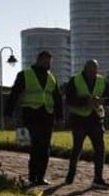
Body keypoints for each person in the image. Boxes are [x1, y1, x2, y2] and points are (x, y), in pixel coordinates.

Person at [4, 51, 64, 187]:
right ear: (39, 60)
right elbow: (14, 94)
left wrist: (60, 117)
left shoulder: (51, 77)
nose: (49, 65)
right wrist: (8, 114)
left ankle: (40, 177)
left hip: (47, 115)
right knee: (37, 145)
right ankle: (33, 176)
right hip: (32, 114)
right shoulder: (25, 74)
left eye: (50, 62)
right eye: (46, 62)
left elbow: (57, 98)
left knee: (45, 146)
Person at [64, 59, 109, 188]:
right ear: (85, 68)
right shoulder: (75, 80)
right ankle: (71, 174)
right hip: (79, 119)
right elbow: (69, 99)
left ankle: (98, 178)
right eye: (91, 69)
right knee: (77, 148)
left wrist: (103, 101)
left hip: (96, 118)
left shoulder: (102, 80)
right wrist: (85, 101)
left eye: (95, 69)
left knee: (100, 149)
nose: (93, 72)